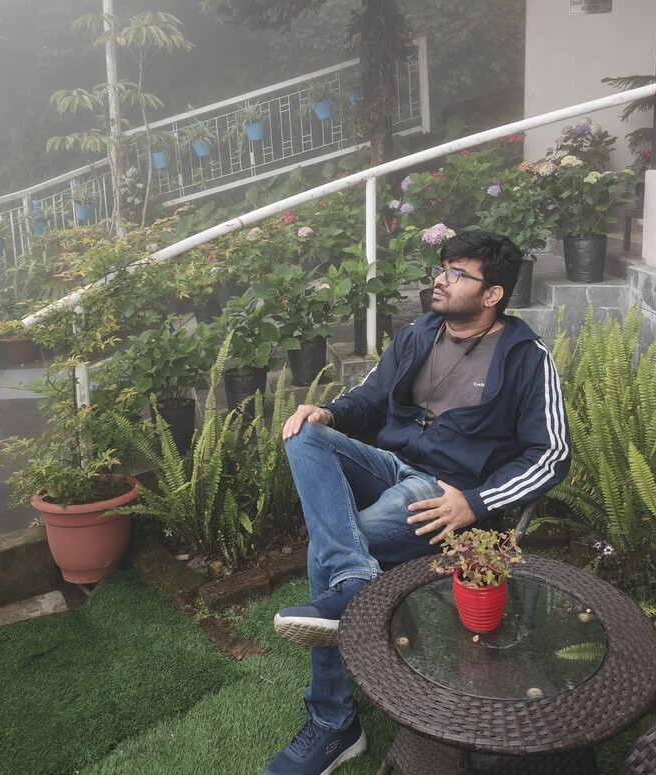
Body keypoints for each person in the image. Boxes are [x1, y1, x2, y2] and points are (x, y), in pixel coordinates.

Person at [262, 231, 571, 775]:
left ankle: (334, 724)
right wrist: (329, 413)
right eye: (442, 267)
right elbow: (369, 397)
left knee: (325, 549)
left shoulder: (526, 357)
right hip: (389, 465)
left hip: (442, 493)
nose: (440, 279)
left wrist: (475, 503)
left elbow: (551, 454)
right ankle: (354, 578)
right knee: (305, 435)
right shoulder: (418, 333)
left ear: (492, 294)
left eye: (457, 273)